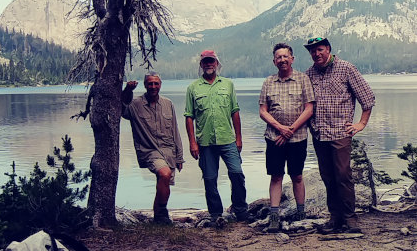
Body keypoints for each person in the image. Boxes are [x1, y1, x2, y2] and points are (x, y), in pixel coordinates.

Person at [304, 37, 375, 234]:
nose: (316, 54)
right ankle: (334, 218)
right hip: (319, 134)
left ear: (328, 49)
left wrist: (361, 123)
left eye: (319, 49)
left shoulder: (346, 68)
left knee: (343, 175)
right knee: (327, 177)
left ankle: (350, 220)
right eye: (312, 51)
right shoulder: (309, 74)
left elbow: (367, 98)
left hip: (340, 133)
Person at [184, 50, 248, 223]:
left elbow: (235, 112)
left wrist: (239, 138)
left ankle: (241, 210)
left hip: (228, 139)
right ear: (201, 65)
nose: (209, 64)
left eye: (211, 61)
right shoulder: (193, 88)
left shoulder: (228, 85)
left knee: (237, 173)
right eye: (205, 62)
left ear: (217, 63)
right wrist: (192, 143)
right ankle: (216, 214)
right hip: (205, 142)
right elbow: (189, 116)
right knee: (210, 179)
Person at [259, 43, 315, 232]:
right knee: (276, 176)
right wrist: (280, 128)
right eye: (278, 57)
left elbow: (309, 108)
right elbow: (263, 111)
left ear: (292, 59)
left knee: (297, 175)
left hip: (297, 137)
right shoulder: (268, 82)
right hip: (274, 137)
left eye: (285, 56)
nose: (282, 60)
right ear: (274, 61)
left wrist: (290, 129)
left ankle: (301, 213)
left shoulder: (303, 79)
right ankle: (274, 215)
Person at [122, 71, 184, 224]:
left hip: (168, 151)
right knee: (164, 174)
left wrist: (179, 156)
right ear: (145, 85)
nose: (153, 86)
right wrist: (127, 90)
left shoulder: (168, 103)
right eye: (150, 83)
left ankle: (158, 218)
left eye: (156, 83)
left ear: (160, 85)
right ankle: (162, 213)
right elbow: (122, 108)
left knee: (164, 182)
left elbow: (175, 130)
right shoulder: (135, 105)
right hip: (149, 151)